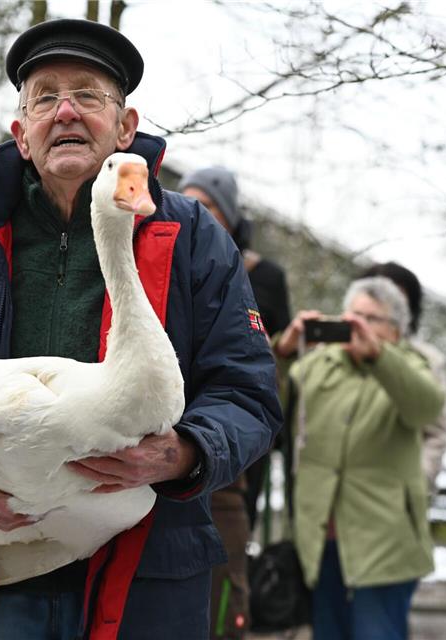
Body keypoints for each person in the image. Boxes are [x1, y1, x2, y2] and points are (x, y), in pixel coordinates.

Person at [0, 18, 281, 639]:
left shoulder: (194, 242)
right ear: (22, 134)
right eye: (45, 96)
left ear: (125, 126)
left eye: (89, 95)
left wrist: (183, 453)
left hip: (144, 585)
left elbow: (249, 394)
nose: (66, 111)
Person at [272, 277, 444, 640]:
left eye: (372, 318)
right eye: (353, 314)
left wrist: (380, 358)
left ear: (395, 331)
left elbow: (426, 407)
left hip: (384, 538)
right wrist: (283, 351)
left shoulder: (413, 365)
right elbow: (266, 401)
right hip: (319, 537)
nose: (358, 324)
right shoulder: (318, 363)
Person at [180, 166, 292, 638]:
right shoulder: (162, 256)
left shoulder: (262, 275)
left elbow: (264, 365)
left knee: (225, 595)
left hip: (233, 452)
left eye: (204, 205)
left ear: (227, 214)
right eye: (185, 201)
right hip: (170, 440)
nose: (191, 214)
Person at [360, 261, 446, 493]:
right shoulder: (330, 354)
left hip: (395, 499)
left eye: (397, 298)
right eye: (378, 295)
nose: (386, 306)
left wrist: (415, 486)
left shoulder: (427, 360)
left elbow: (436, 433)